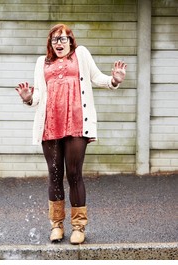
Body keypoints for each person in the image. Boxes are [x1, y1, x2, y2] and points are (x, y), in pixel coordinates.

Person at [15, 23, 127, 244]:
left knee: (74, 174)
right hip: (50, 125)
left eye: (63, 39)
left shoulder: (81, 55)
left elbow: (97, 78)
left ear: (70, 40)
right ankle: (56, 226)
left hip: (77, 123)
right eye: (55, 39)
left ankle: (78, 227)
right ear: (50, 43)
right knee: (54, 175)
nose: (59, 43)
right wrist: (28, 98)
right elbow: (38, 97)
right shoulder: (42, 62)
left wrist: (114, 79)